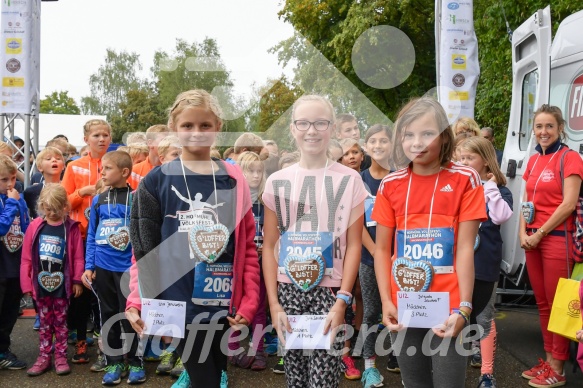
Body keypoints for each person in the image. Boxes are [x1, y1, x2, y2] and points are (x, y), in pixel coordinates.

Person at [125, 89, 260, 388]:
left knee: (215, 372)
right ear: (174, 128)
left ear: (218, 128)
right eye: (188, 126)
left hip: (224, 302)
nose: (197, 133)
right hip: (177, 304)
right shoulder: (155, 182)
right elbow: (143, 250)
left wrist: (249, 302)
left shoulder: (233, 179)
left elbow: (247, 248)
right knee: (204, 380)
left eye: (205, 126)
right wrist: (138, 299)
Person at [372, 98, 487, 387]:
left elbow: (465, 248)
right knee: (414, 382)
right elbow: (382, 250)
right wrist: (387, 300)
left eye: (427, 134)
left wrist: (463, 308)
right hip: (405, 307)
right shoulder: (390, 184)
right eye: (408, 134)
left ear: (444, 136)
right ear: (399, 139)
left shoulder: (466, 178)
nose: (417, 142)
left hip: (449, 309)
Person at [262, 95, 367, 388]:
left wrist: (342, 301)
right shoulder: (277, 182)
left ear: (332, 128)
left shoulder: (350, 180)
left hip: (331, 292)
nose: (312, 130)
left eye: (320, 123)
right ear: (293, 129)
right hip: (288, 292)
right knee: (295, 379)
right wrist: (274, 303)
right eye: (304, 123)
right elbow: (270, 246)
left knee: (324, 381)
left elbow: (354, 245)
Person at [519, 104, 583, 387]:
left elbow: (568, 204)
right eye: (539, 127)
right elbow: (526, 202)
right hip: (532, 239)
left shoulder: (570, 158)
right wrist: (523, 233)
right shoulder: (532, 161)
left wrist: (539, 233)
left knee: (559, 304)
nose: (543, 132)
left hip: (557, 238)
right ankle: (548, 361)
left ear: (560, 129)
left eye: (549, 127)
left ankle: (558, 368)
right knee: (543, 304)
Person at [82, 150, 145, 385]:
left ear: (124, 172)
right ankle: (114, 362)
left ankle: (136, 362)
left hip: (128, 269)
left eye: (107, 168)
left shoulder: (136, 197)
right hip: (103, 267)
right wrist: (89, 265)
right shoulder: (98, 199)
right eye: (102, 168)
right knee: (108, 315)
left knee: (131, 315)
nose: (102, 172)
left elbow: (141, 235)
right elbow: (91, 234)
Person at [459, 136, 513, 388]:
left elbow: (501, 216)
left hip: (486, 262)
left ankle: (487, 374)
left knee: (484, 317)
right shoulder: (459, 187)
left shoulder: (500, 190)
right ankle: (457, 366)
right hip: (460, 262)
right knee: (459, 313)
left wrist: (489, 187)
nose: (465, 162)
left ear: (486, 161)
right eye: (461, 158)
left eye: (470, 158)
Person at [61, 118, 112, 364]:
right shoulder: (74, 167)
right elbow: (61, 205)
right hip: (80, 239)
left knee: (104, 294)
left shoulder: (117, 165)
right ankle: (80, 343)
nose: (101, 139)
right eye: (96, 135)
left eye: (105, 135)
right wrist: (83, 192)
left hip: (109, 241)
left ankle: (106, 345)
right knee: (80, 294)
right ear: (86, 139)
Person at [20, 184, 84, 376]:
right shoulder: (34, 226)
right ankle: (44, 356)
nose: (52, 213)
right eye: (47, 209)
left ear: (65, 206)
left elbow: (78, 256)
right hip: (39, 286)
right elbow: (26, 259)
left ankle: (61, 357)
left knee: (62, 322)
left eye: (56, 209)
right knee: (45, 323)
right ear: (41, 206)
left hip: (62, 287)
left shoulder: (71, 228)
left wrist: (77, 280)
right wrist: (26, 283)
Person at [359, 124, 394, 387]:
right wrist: (374, 251)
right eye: (374, 141)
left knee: (401, 312)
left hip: (399, 260)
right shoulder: (358, 180)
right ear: (366, 146)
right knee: (371, 312)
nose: (379, 146)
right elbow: (354, 223)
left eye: (384, 141)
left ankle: (403, 359)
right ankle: (369, 366)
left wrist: (393, 255)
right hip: (369, 258)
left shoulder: (401, 177)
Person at [228, 151, 268, 371]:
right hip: (240, 263)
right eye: (250, 171)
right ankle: (233, 348)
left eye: (259, 171)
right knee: (236, 307)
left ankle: (258, 348)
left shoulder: (266, 201)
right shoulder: (234, 201)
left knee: (259, 306)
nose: (255, 176)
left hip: (262, 261)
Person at [0, 154, 30, 370]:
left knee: (10, 312)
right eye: (4, 180)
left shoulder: (17, 198)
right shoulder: (12, 199)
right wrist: (12, 203)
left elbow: (26, 227)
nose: (11, 184)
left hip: (15, 266)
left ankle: (3, 350)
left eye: (12, 179)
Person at [24, 147, 66, 219]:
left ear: (63, 166)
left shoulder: (69, 188)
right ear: (40, 167)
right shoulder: (31, 192)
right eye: (48, 159)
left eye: (58, 159)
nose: (54, 160)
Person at [128, 124, 170, 190]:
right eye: (163, 140)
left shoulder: (174, 170)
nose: (168, 144)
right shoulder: (135, 171)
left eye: (170, 141)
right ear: (150, 143)